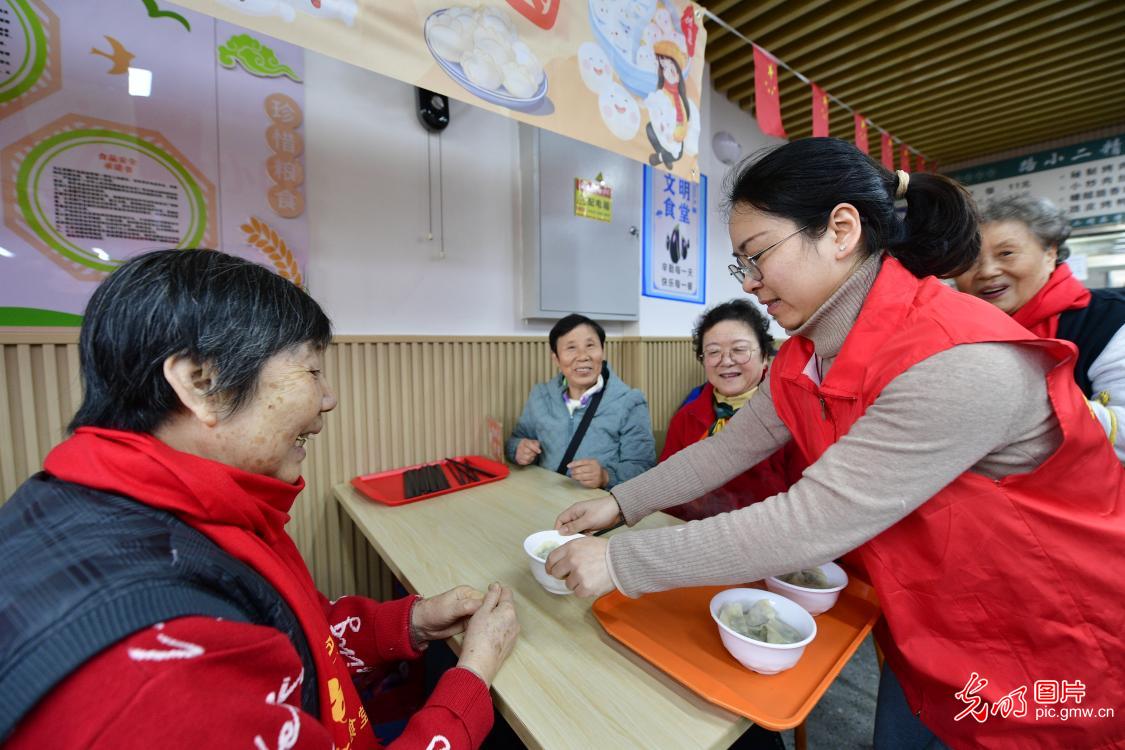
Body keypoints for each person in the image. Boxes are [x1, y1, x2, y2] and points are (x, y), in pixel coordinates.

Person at [544, 138, 1125, 749]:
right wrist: (620, 503)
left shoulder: (956, 356)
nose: (751, 283)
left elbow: (809, 520)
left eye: (758, 255)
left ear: (841, 229)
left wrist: (620, 562)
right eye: (741, 265)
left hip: (1047, 633)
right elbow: (728, 447)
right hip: (930, 618)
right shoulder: (807, 353)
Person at [0, 250, 520, 749]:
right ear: (203, 383)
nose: (328, 398)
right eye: (312, 372)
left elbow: (291, 633)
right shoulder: (158, 672)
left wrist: (409, 622)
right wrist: (470, 677)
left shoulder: (154, 503)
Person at [953, 194, 1125, 460]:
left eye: (1006, 253)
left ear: (1050, 252)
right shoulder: (956, 332)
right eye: (970, 259)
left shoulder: (1111, 321)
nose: (987, 271)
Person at [661, 299, 800, 521]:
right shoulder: (685, 418)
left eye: (739, 350)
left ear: (765, 356)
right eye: (713, 352)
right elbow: (666, 493)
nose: (726, 361)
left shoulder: (791, 416)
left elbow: (803, 501)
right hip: (693, 535)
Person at [506, 313, 655, 489]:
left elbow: (643, 467)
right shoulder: (541, 395)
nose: (583, 356)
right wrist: (518, 449)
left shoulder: (630, 402)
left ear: (602, 351)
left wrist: (606, 476)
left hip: (599, 506)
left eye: (590, 345)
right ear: (556, 359)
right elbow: (516, 439)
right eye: (571, 348)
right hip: (545, 499)